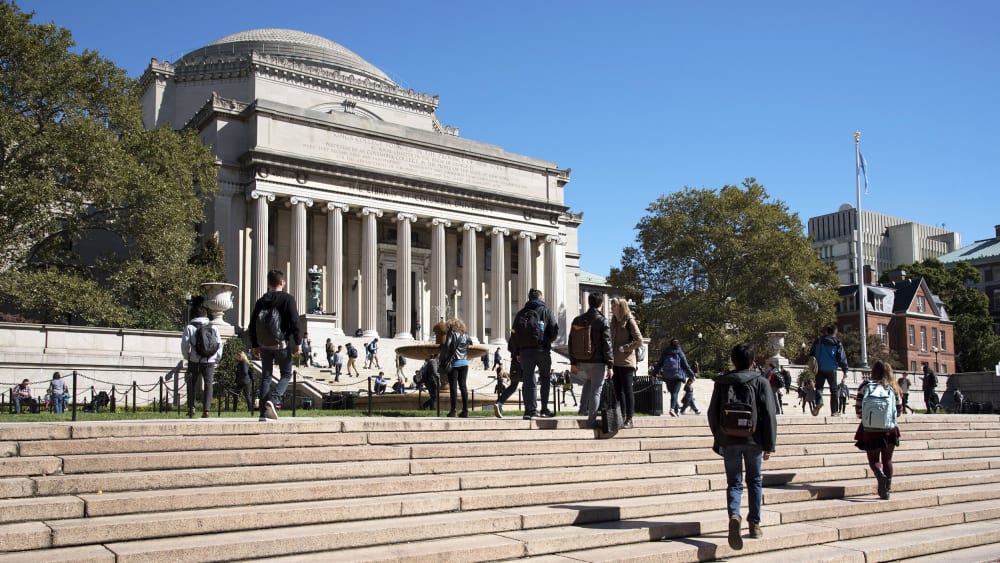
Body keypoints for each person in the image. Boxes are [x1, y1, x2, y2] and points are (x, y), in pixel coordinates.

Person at [707, 343, 777, 551]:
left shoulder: (721, 383)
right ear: (753, 360)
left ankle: (734, 514)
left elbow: (712, 413)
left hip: (729, 439)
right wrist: (769, 444)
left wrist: (719, 438)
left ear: (732, 360)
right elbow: (769, 415)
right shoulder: (761, 382)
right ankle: (754, 524)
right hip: (753, 440)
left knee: (734, 482)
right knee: (755, 480)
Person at [248, 269, 302, 422]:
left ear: (269, 283)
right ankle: (275, 398)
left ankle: (263, 413)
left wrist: (254, 344)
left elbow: (252, 324)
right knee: (286, 374)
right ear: (282, 282)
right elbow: (295, 321)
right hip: (281, 344)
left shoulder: (261, 301)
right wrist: (298, 342)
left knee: (266, 376)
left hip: (264, 344)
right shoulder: (287, 299)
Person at [854, 360, 902, 500]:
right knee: (888, 460)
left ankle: (879, 473)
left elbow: (858, 409)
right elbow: (898, 411)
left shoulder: (865, 386)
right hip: (889, 429)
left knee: (873, 459)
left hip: (870, 429)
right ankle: (886, 490)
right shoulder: (893, 388)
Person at [509, 288, 559, 420]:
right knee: (545, 378)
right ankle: (543, 409)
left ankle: (529, 411)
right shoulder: (546, 311)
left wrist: (517, 352)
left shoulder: (521, 313)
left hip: (525, 351)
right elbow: (554, 330)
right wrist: (547, 340)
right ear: (540, 298)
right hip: (542, 350)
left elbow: (514, 335)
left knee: (528, 380)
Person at [568, 292, 613, 429]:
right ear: (601, 304)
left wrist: (573, 362)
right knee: (596, 391)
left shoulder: (577, 319)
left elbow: (571, 342)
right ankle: (591, 420)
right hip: (597, 361)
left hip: (581, 360)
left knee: (588, 382)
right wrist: (610, 365)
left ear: (588, 302)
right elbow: (607, 344)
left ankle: (582, 409)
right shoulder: (602, 320)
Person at [181, 304, 223, 418]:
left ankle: (192, 408)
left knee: (192, 384)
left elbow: (185, 345)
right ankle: (206, 410)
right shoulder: (213, 327)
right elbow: (219, 344)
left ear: (195, 315)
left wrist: (188, 356)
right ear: (205, 315)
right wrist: (216, 357)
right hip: (210, 360)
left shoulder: (190, 327)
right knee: (209, 385)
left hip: (194, 360)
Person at [610, 296, 642, 429]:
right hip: (615, 362)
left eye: (614, 306)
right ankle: (620, 416)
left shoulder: (629, 321)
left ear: (620, 307)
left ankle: (629, 418)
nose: (611, 308)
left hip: (627, 362)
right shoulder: (613, 321)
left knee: (628, 391)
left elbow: (639, 340)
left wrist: (626, 347)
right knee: (618, 391)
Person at [808, 324, 849, 416]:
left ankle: (819, 401)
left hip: (819, 368)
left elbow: (811, 354)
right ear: (835, 332)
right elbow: (841, 357)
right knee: (834, 390)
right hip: (832, 369)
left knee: (819, 387)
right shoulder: (837, 343)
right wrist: (845, 370)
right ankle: (834, 411)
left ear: (826, 331)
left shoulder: (818, 341)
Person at [650, 339, 697, 417]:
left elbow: (659, 364)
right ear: (678, 344)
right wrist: (692, 374)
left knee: (672, 393)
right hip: (678, 376)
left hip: (667, 376)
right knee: (675, 393)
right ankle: (672, 409)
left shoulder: (665, 352)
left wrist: (653, 374)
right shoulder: (680, 352)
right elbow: (686, 366)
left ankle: (676, 411)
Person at [439, 317, 471, 417]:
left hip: (454, 363)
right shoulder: (465, 335)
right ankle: (465, 410)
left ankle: (453, 410)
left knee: (453, 388)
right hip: (465, 363)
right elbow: (469, 344)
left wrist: (442, 349)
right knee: (463, 387)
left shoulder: (451, 333)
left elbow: (447, 346)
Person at [494, 346, 524, 418]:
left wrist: (516, 354)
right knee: (530, 384)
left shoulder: (513, 334)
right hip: (524, 360)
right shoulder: (520, 334)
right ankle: (531, 410)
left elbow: (510, 346)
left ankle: (499, 403)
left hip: (515, 361)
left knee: (513, 386)